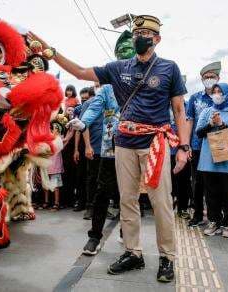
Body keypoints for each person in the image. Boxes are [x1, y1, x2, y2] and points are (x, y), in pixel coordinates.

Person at [31, 14, 191, 282]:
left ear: (157, 39)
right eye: (137, 33)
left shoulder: (169, 68)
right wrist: (51, 51)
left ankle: (167, 257)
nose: (140, 38)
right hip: (125, 143)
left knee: (160, 201)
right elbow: (81, 72)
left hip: (156, 143)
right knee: (127, 200)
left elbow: (178, 109)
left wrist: (184, 147)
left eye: (146, 35)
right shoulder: (118, 68)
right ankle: (133, 252)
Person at [74, 30, 134, 255]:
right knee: (102, 192)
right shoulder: (107, 88)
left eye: (129, 56)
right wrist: (82, 122)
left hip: (134, 146)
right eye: (122, 56)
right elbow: (94, 107)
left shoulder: (142, 83)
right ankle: (95, 237)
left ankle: (126, 232)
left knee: (128, 194)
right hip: (109, 149)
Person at [196, 83, 228, 238]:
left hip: (227, 161)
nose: (217, 94)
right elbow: (199, 133)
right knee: (211, 194)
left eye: (220, 92)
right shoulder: (207, 111)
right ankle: (214, 221)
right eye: (215, 91)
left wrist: (222, 124)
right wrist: (211, 124)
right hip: (208, 160)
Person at [186, 61, 220, 226]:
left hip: (218, 146)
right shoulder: (195, 98)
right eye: (206, 77)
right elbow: (189, 121)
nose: (209, 79)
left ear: (218, 78)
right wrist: (187, 145)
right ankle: (198, 214)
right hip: (198, 146)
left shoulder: (221, 97)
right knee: (197, 182)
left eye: (212, 76)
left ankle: (216, 217)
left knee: (215, 183)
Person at [81, 86, 103, 220]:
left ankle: (105, 208)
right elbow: (83, 125)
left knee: (107, 180)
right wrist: (87, 146)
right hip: (94, 148)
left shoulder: (115, 102)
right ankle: (90, 207)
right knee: (92, 178)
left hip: (111, 149)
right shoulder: (89, 103)